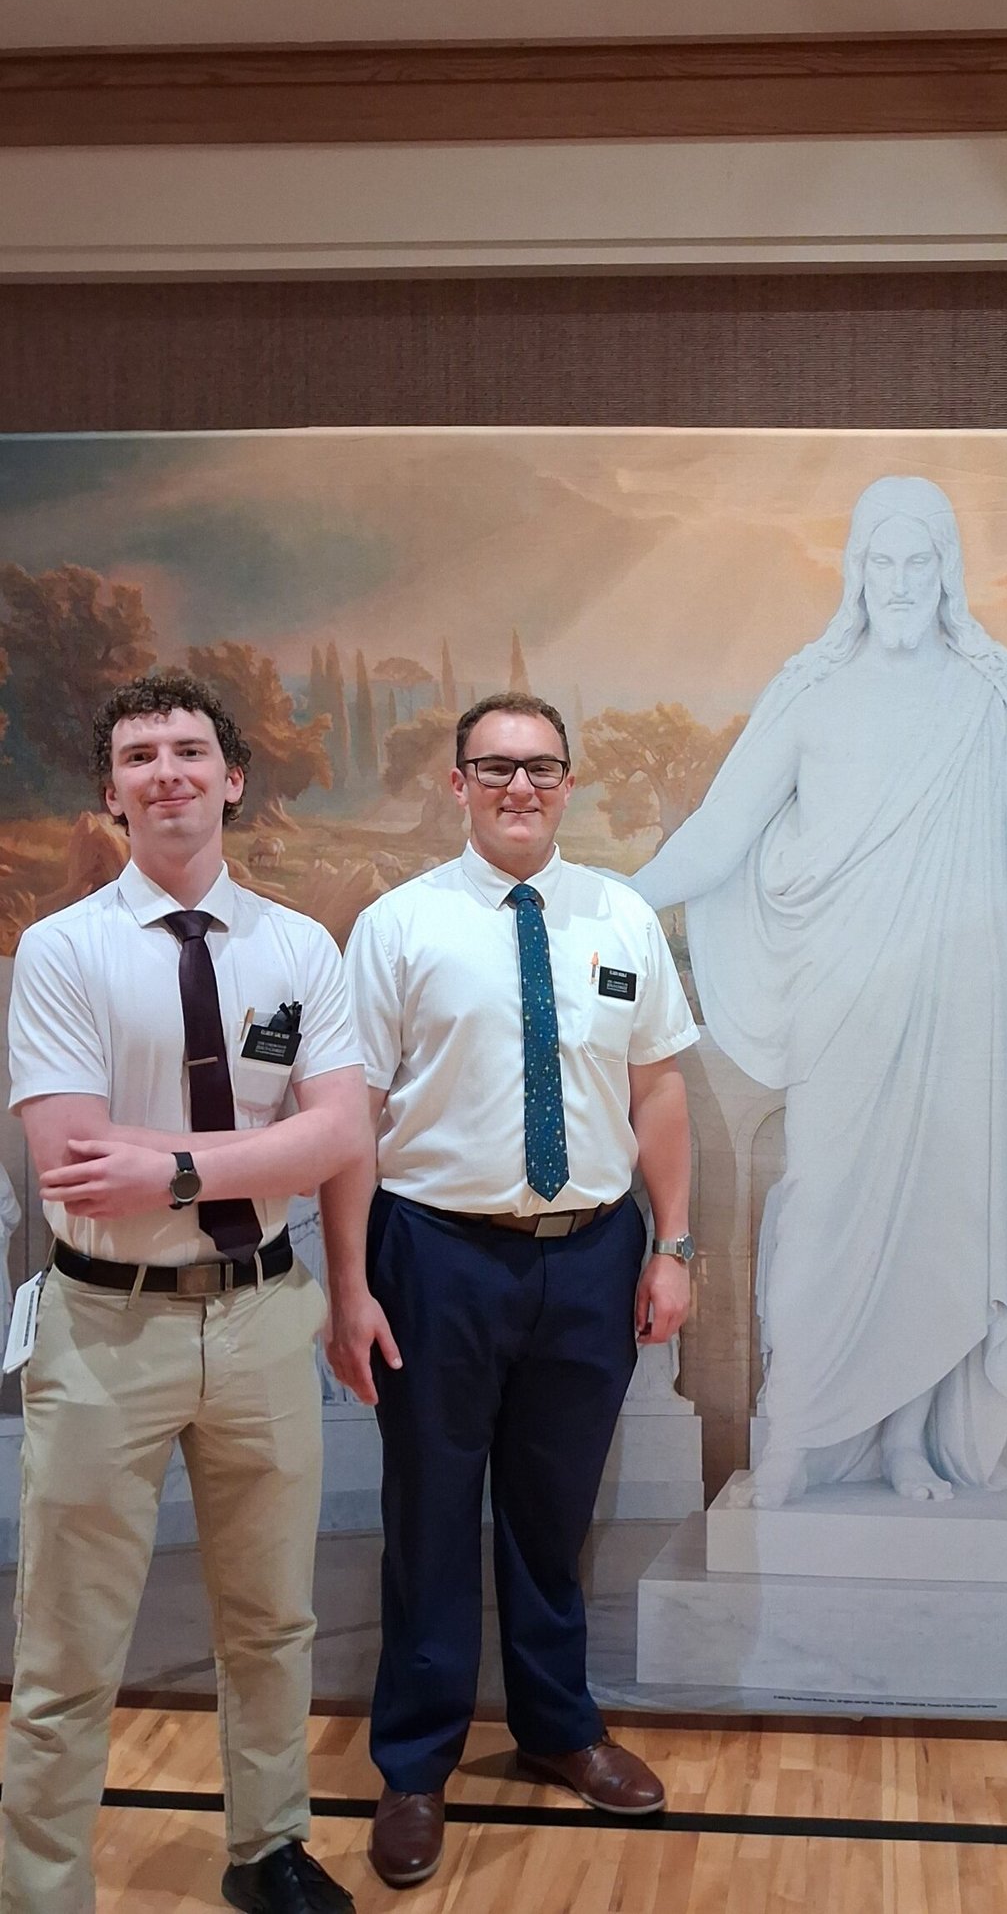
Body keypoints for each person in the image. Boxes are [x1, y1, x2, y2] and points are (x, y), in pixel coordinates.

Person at [630, 474, 1007, 1509]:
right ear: (855, 571)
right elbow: (719, 833)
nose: (896, 582)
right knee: (826, 1209)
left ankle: (907, 1444)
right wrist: (615, 900)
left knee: (948, 1229)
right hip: (844, 997)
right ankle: (797, 1434)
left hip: (965, 1008)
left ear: (945, 572)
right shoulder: (812, 692)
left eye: (915, 561)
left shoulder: (989, 695)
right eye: (878, 562)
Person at [3, 670, 369, 1914]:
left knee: (271, 1622)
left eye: (190, 750)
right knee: (68, 1646)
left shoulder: (300, 947)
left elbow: (340, 1137)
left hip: (263, 1315)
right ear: (112, 794)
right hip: (105, 1325)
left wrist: (165, 1164)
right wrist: (258, 1154)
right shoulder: (62, 951)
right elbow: (73, 1165)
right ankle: (44, 1890)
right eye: (140, 756)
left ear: (233, 778)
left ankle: (269, 1850)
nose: (168, 772)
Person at [325, 693, 697, 1890]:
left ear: (568, 782)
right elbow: (352, 1117)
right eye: (494, 768)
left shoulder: (622, 916)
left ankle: (557, 1728)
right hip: (435, 1254)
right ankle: (415, 1765)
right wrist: (349, 1285)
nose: (518, 787)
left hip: (591, 1257)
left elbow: (659, 1093)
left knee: (552, 1512)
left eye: (539, 767)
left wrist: (673, 1247)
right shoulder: (398, 925)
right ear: (458, 785)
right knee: (430, 1514)